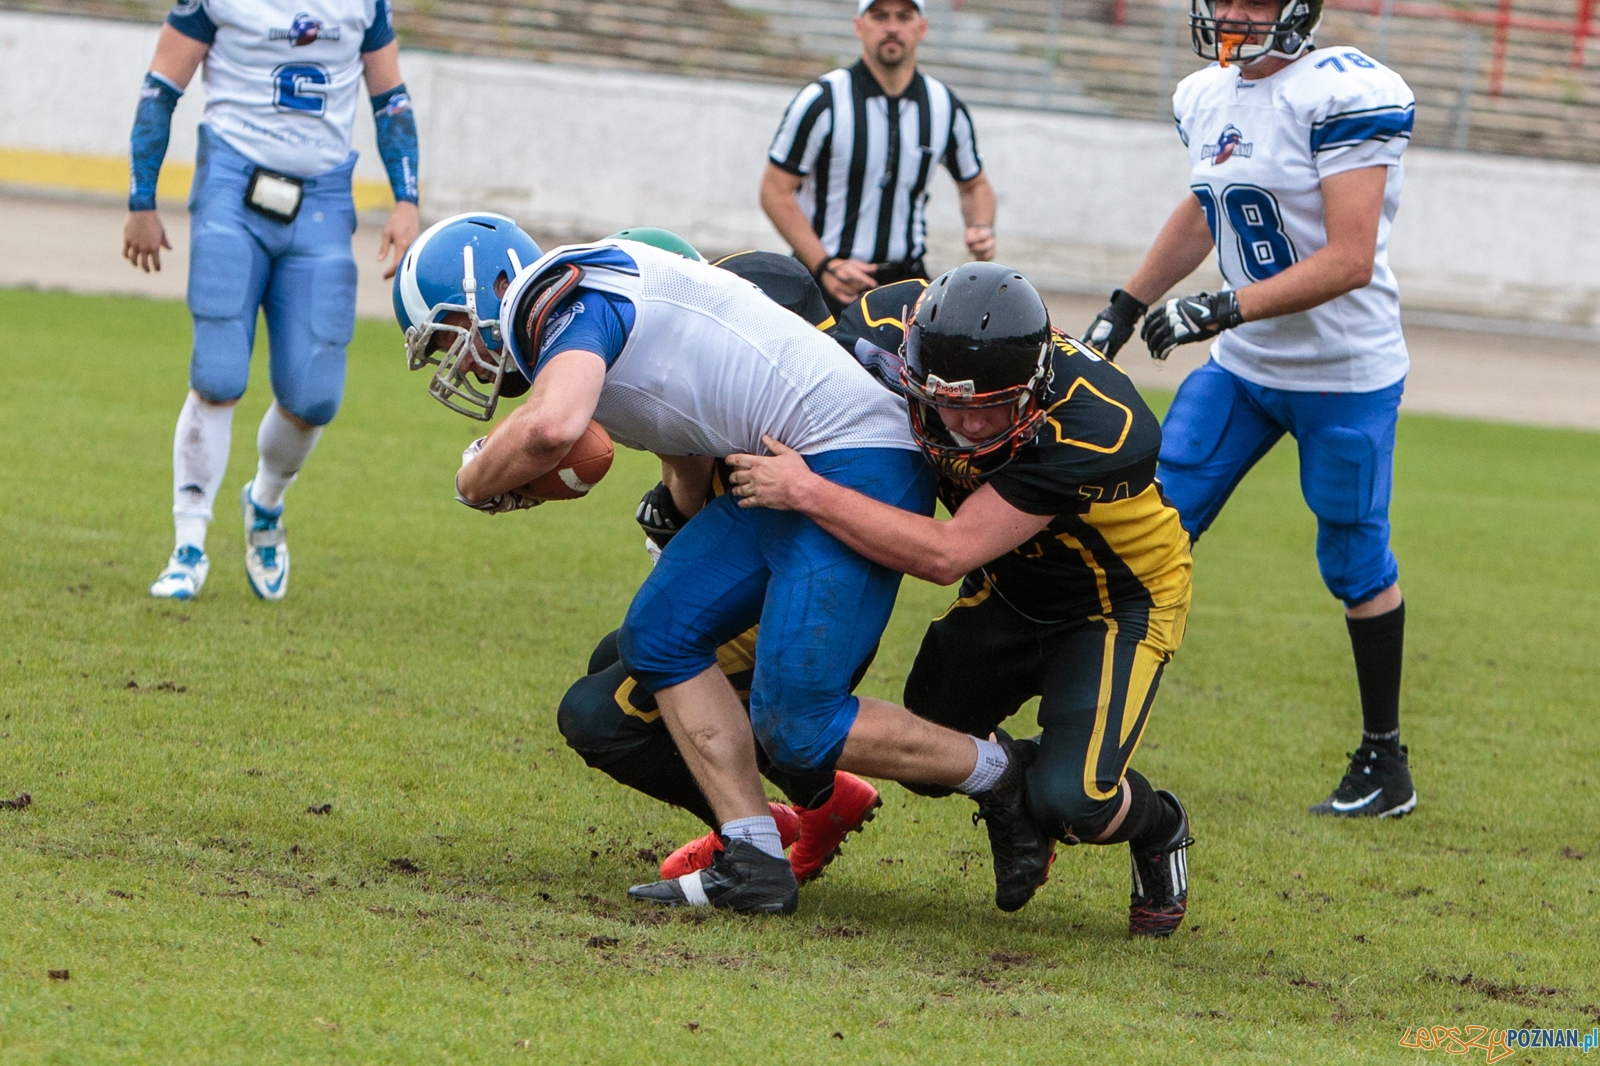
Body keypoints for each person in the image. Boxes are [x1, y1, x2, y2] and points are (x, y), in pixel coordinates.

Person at [399, 230, 1049, 917]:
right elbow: (676, 453)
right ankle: (754, 858)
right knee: (657, 635)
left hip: (857, 458)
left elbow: (552, 427)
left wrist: (474, 481)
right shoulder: (594, 300)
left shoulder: (559, 295)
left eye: (450, 341)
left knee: (799, 726)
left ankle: (1003, 774)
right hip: (780, 462)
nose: (458, 362)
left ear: (492, 291)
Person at [728, 263, 1197, 936]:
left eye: (992, 407)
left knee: (1075, 801)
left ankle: (1159, 822)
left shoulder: (1102, 422)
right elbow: (791, 369)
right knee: (928, 752)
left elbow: (947, 555)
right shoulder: (890, 325)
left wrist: (806, 490)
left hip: (1114, 604)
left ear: (1035, 386)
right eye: (948, 401)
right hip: (1007, 589)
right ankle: (1016, 793)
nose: (967, 426)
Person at [1079, 0, 1417, 819]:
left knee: (1353, 560)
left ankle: (1384, 759)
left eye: (1255, 0)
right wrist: (1125, 307)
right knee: (1146, 523)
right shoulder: (1206, 94)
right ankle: (1080, 729)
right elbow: (1206, 206)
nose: (1234, 13)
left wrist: (1219, 308)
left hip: (1342, 370)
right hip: (1245, 369)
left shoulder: (1345, 90)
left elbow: (1349, 258)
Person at [128, 0, 421, 601]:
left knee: (314, 395)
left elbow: (390, 96)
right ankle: (188, 544)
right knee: (218, 371)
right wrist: (141, 200)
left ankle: (264, 502)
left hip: (322, 198)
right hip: (233, 188)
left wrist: (406, 198)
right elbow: (162, 86)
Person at [761, 0, 995, 315]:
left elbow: (975, 184)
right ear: (859, 26)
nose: (892, 28)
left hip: (905, 285)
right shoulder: (823, 100)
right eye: (880, 16)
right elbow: (774, 190)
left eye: (904, 16)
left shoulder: (944, 106)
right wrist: (824, 265)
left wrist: (981, 227)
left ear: (922, 27)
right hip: (826, 283)